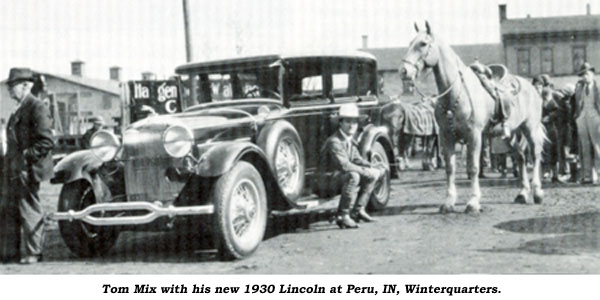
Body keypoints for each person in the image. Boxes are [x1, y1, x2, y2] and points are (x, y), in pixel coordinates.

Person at [1, 68, 54, 264]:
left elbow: (46, 141)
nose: (9, 91)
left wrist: (24, 158)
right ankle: (9, 253)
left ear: (26, 86)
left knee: (29, 209)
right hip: (14, 168)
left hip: (27, 169)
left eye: (12, 86)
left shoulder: (36, 107)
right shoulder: (21, 108)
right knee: (9, 210)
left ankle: (34, 252)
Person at [316, 104, 385, 229]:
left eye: (355, 122)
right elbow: (344, 165)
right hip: (324, 182)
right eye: (348, 121)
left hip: (337, 178)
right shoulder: (335, 141)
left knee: (369, 174)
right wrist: (369, 172)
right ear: (340, 123)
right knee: (354, 176)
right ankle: (343, 215)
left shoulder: (348, 140)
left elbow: (357, 159)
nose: (352, 125)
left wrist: (373, 166)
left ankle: (358, 210)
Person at [574, 62, 600, 184]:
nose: (585, 77)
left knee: (597, 145)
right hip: (583, 117)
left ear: (593, 74)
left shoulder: (598, 86)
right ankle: (587, 175)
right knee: (584, 147)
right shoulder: (579, 87)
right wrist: (578, 117)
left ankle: (599, 174)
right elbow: (577, 103)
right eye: (583, 75)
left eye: (588, 74)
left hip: (595, 116)